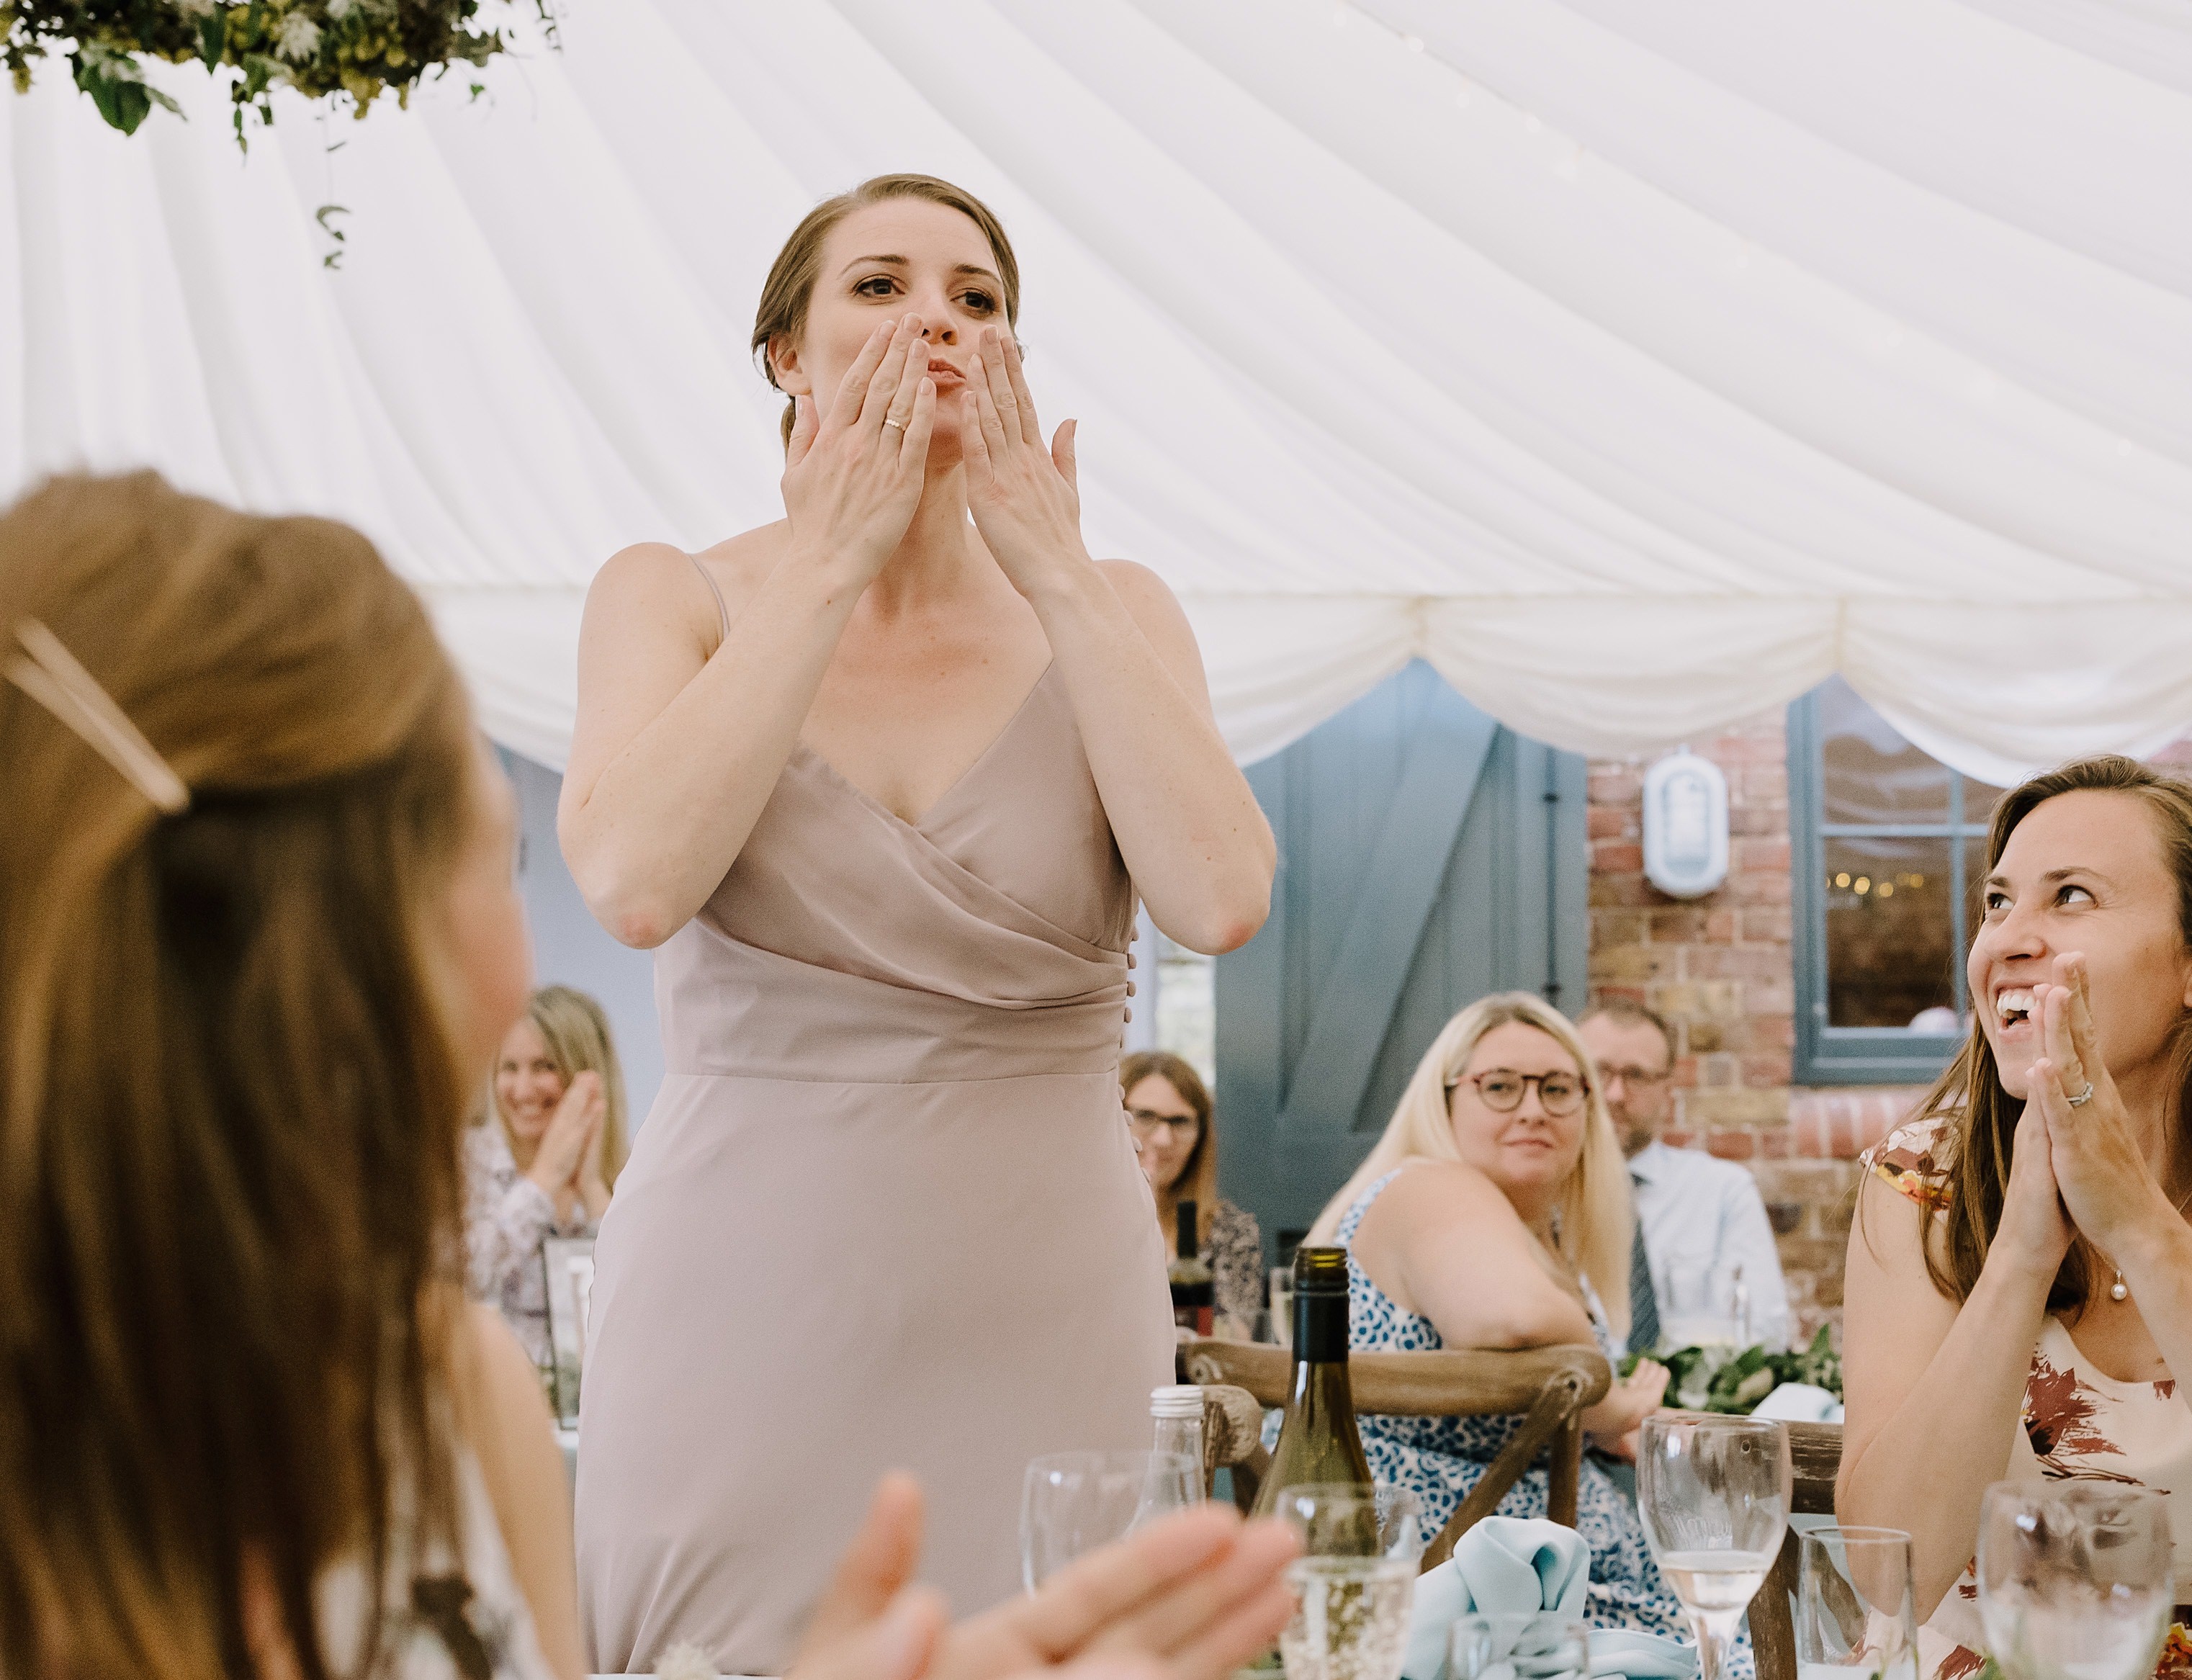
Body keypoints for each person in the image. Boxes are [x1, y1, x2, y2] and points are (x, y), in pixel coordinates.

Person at [0, 471, 1302, 1680]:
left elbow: (1220, 886)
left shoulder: (451, 1382)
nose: (523, 962)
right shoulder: (432, 1391)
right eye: (495, 851)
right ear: (337, 942)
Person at [562, 173, 1277, 1668]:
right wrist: (828, 559)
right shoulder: (670, 595)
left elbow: (1219, 896)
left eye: (976, 296)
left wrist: (1060, 574)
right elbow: (632, 879)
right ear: (786, 355)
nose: (934, 320)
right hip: (739, 1288)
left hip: (1044, 1289)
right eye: (879, 287)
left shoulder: (1116, 605)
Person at [1838, 756, 2192, 1680]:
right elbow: (1884, 1568)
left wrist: (2141, 1228)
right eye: (1995, 901)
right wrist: (2022, 1254)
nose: (2008, 939)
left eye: (2068, 896)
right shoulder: (1918, 1185)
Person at [1305, 992, 1752, 1666]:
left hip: (1548, 1597)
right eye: (1501, 1086)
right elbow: (1515, 1319)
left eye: (1558, 1088)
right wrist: (1614, 1403)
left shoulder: (1540, 1235)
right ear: (1446, 1099)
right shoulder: (1431, 1185)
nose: (1533, 1108)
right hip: (1473, 1611)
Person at [1576, 1000, 1792, 1354]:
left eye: (1637, 1075)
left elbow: (1764, 1334)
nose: (1615, 1094)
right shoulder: (1538, 1192)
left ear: (1668, 1089)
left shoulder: (1722, 1191)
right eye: (1599, 1072)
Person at [467, 984, 630, 1369]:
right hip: (497, 1394)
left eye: (544, 1067)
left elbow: (641, 1303)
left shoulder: (632, 1169)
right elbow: (464, 1279)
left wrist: (592, 1193)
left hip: (592, 1402)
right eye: (509, 1068)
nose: (523, 1090)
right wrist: (542, 1183)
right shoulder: (465, 1163)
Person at [1123, 1051, 1262, 1338]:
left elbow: (1238, 1341)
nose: (1163, 1139)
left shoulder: (1230, 1229)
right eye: (1146, 1116)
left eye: (1180, 1122)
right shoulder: (1080, 1224)